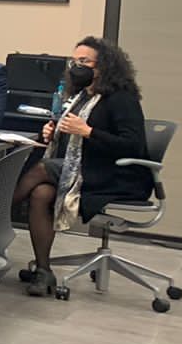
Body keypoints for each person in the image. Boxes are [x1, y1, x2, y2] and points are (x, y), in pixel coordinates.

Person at [12, 37, 152, 296]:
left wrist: (88, 131)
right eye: (74, 61)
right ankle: (43, 270)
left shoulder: (121, 99)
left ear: (104, 66)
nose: (77, 67)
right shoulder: (81, 96)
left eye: (84, 61)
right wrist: (50, 133)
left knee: (42, 168)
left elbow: (133, 146)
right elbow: (68, 138)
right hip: (83, 169)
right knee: (41, 193)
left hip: (116, 175)